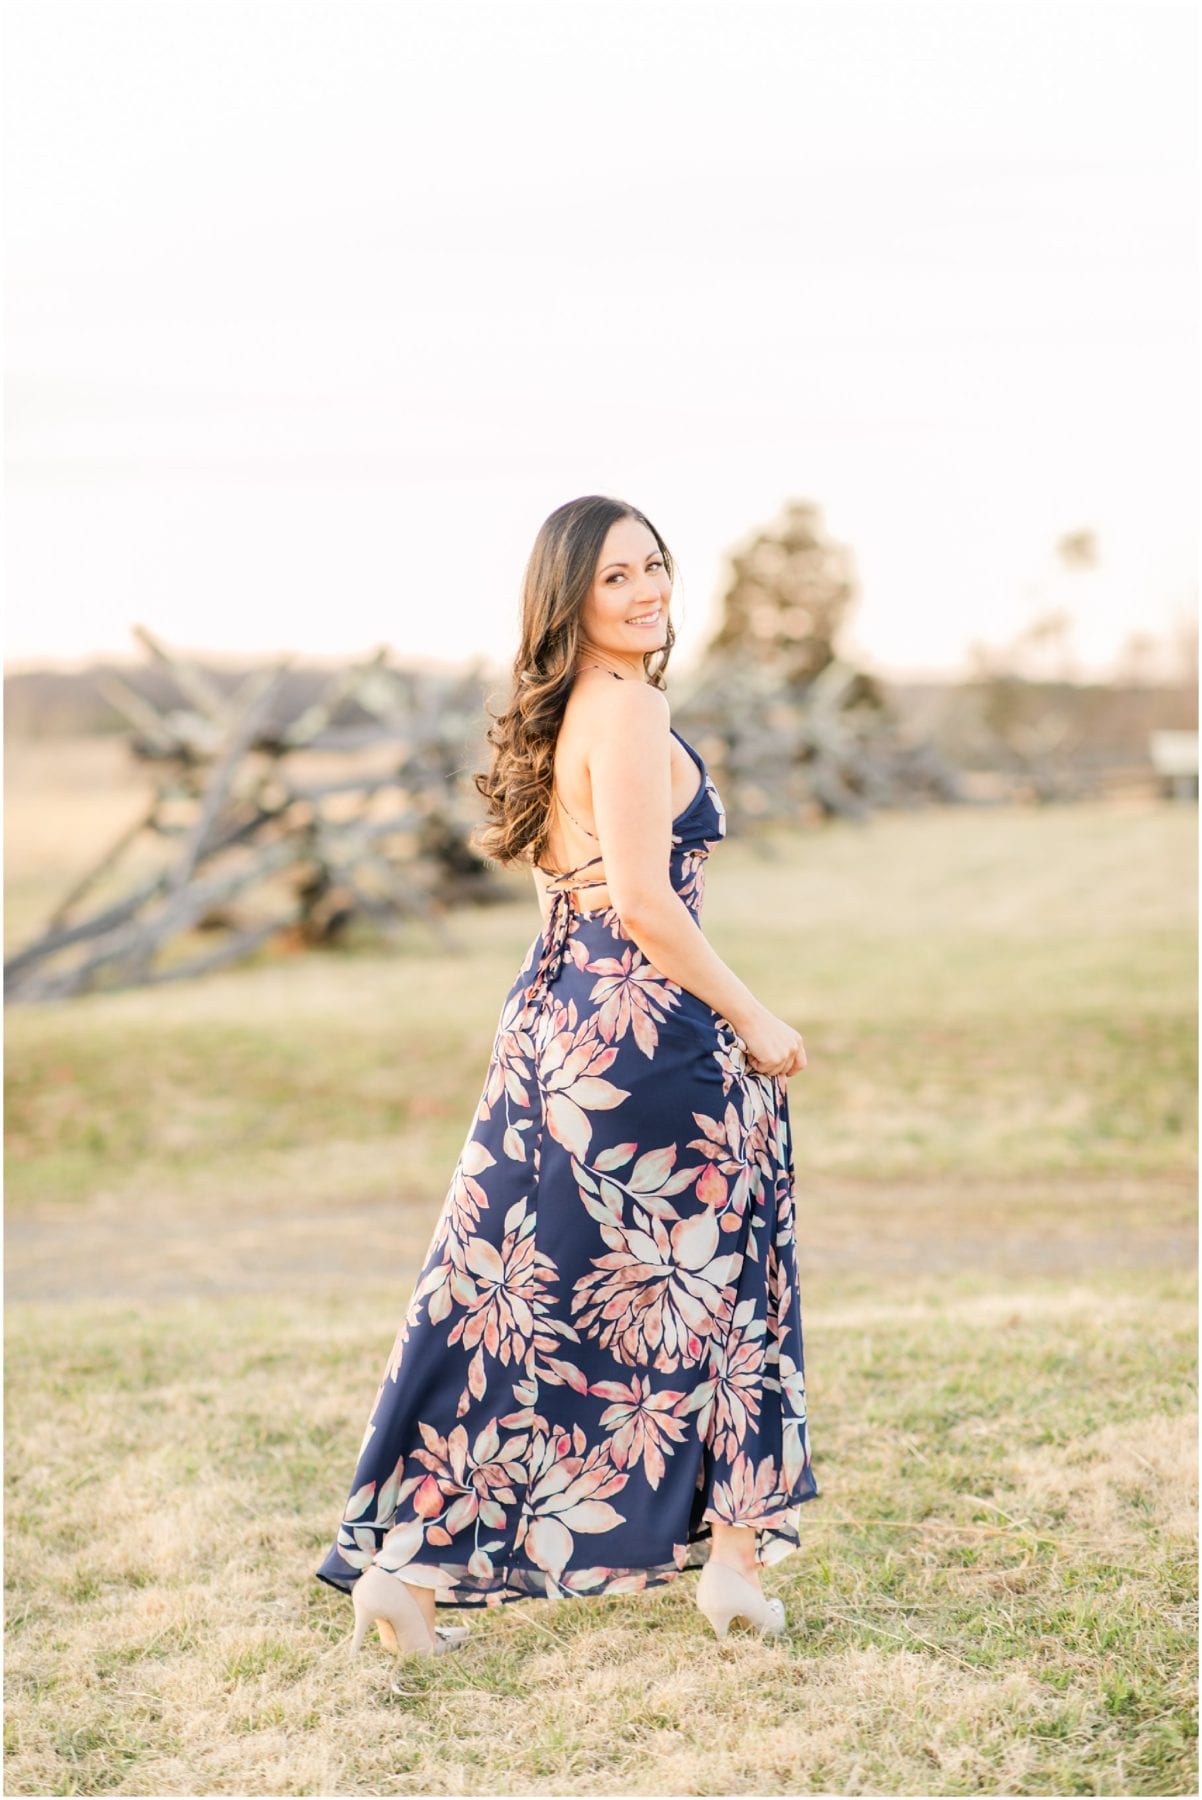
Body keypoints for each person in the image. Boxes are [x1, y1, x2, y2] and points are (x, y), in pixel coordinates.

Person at [315, 494, 818, 1656]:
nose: (646, 592)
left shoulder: (563, 711)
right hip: (643, 1039)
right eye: (615, 579)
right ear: (571, 599)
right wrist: (752, 1014)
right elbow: (641, 902)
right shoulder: (629, 710)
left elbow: (574, 899)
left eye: (655, 567)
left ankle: (410, 1568)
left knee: (508, 1304)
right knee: (716, 1285)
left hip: (552, 1025)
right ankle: (727, 1564)